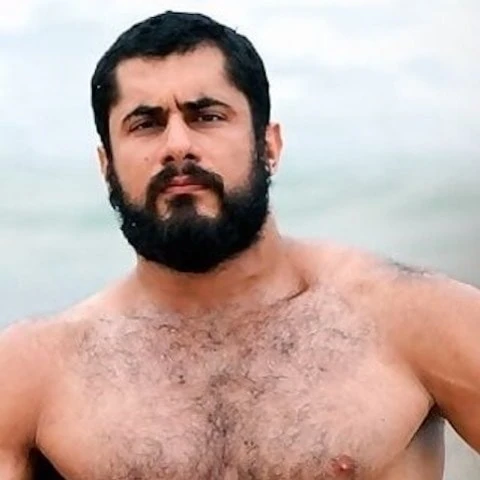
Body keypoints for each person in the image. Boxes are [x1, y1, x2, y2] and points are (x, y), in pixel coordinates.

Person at [1, 10, 479, 480]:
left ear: (269, 146)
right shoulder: (33, 374)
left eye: (207, 116)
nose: (177, 145)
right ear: (106, 165)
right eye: (145, 124)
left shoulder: (409, 319)